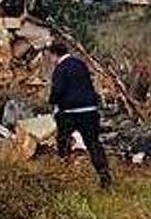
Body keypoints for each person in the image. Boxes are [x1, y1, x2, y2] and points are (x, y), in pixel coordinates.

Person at [46, 42, 113, 189]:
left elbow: (58, 90)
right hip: (90, 109)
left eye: (50, 56)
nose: (50, 59)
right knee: (93, 143)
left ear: (54, 54)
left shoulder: (60, 68)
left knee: (63, 141)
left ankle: (62, 172)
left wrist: (51, 102)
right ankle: (104, 175)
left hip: (70, 112)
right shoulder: (80, 63)